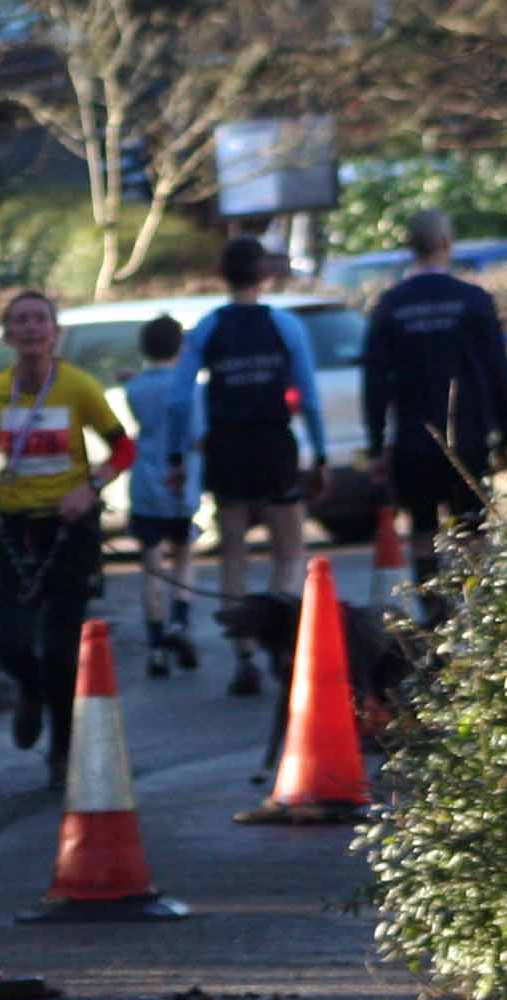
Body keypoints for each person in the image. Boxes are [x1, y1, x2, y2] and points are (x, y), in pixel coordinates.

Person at [0, 288, 138, 785]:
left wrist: (90, 487)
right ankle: (29, 691)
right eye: (22, 321)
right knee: (9, 642)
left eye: (41, 320)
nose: (32, 328)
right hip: (14, 529)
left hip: (68, 528)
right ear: (8, 335)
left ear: (55, 333)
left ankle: (61, 752)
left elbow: (123, 450)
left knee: (61, 649)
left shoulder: (78, 387)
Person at [170, 237, 331, 702]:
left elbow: (181, 399)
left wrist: (179, 458)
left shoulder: (207, 328)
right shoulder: (284, 325)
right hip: (272, 445)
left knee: (234, 554)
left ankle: (243, 657)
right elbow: (311, 398)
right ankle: (280, 638)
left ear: (223, 274)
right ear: (263, 274)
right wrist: (320, 455)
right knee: (289, 550)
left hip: (227, 448)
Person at [363, 209, 507, 618]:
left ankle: (433, 613)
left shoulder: (390, 305)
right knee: (472, 526)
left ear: (409, 246)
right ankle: (475, 612)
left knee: (421, 527)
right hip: (468, 435)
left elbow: (375, 381)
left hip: (414, 438)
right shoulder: (473, 301)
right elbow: (500, 373)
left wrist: (377, 442)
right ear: (447, 243)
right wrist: (505, 434)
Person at [118, 313, 204, 681]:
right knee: (184, 557)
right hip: (180, 484)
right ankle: (180, 622)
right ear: (180, 347)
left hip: (145, 483)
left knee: (152, 567)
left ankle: (155, 645)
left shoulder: (134, 389)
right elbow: (198, 434)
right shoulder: (190, 388)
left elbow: (139, 395)